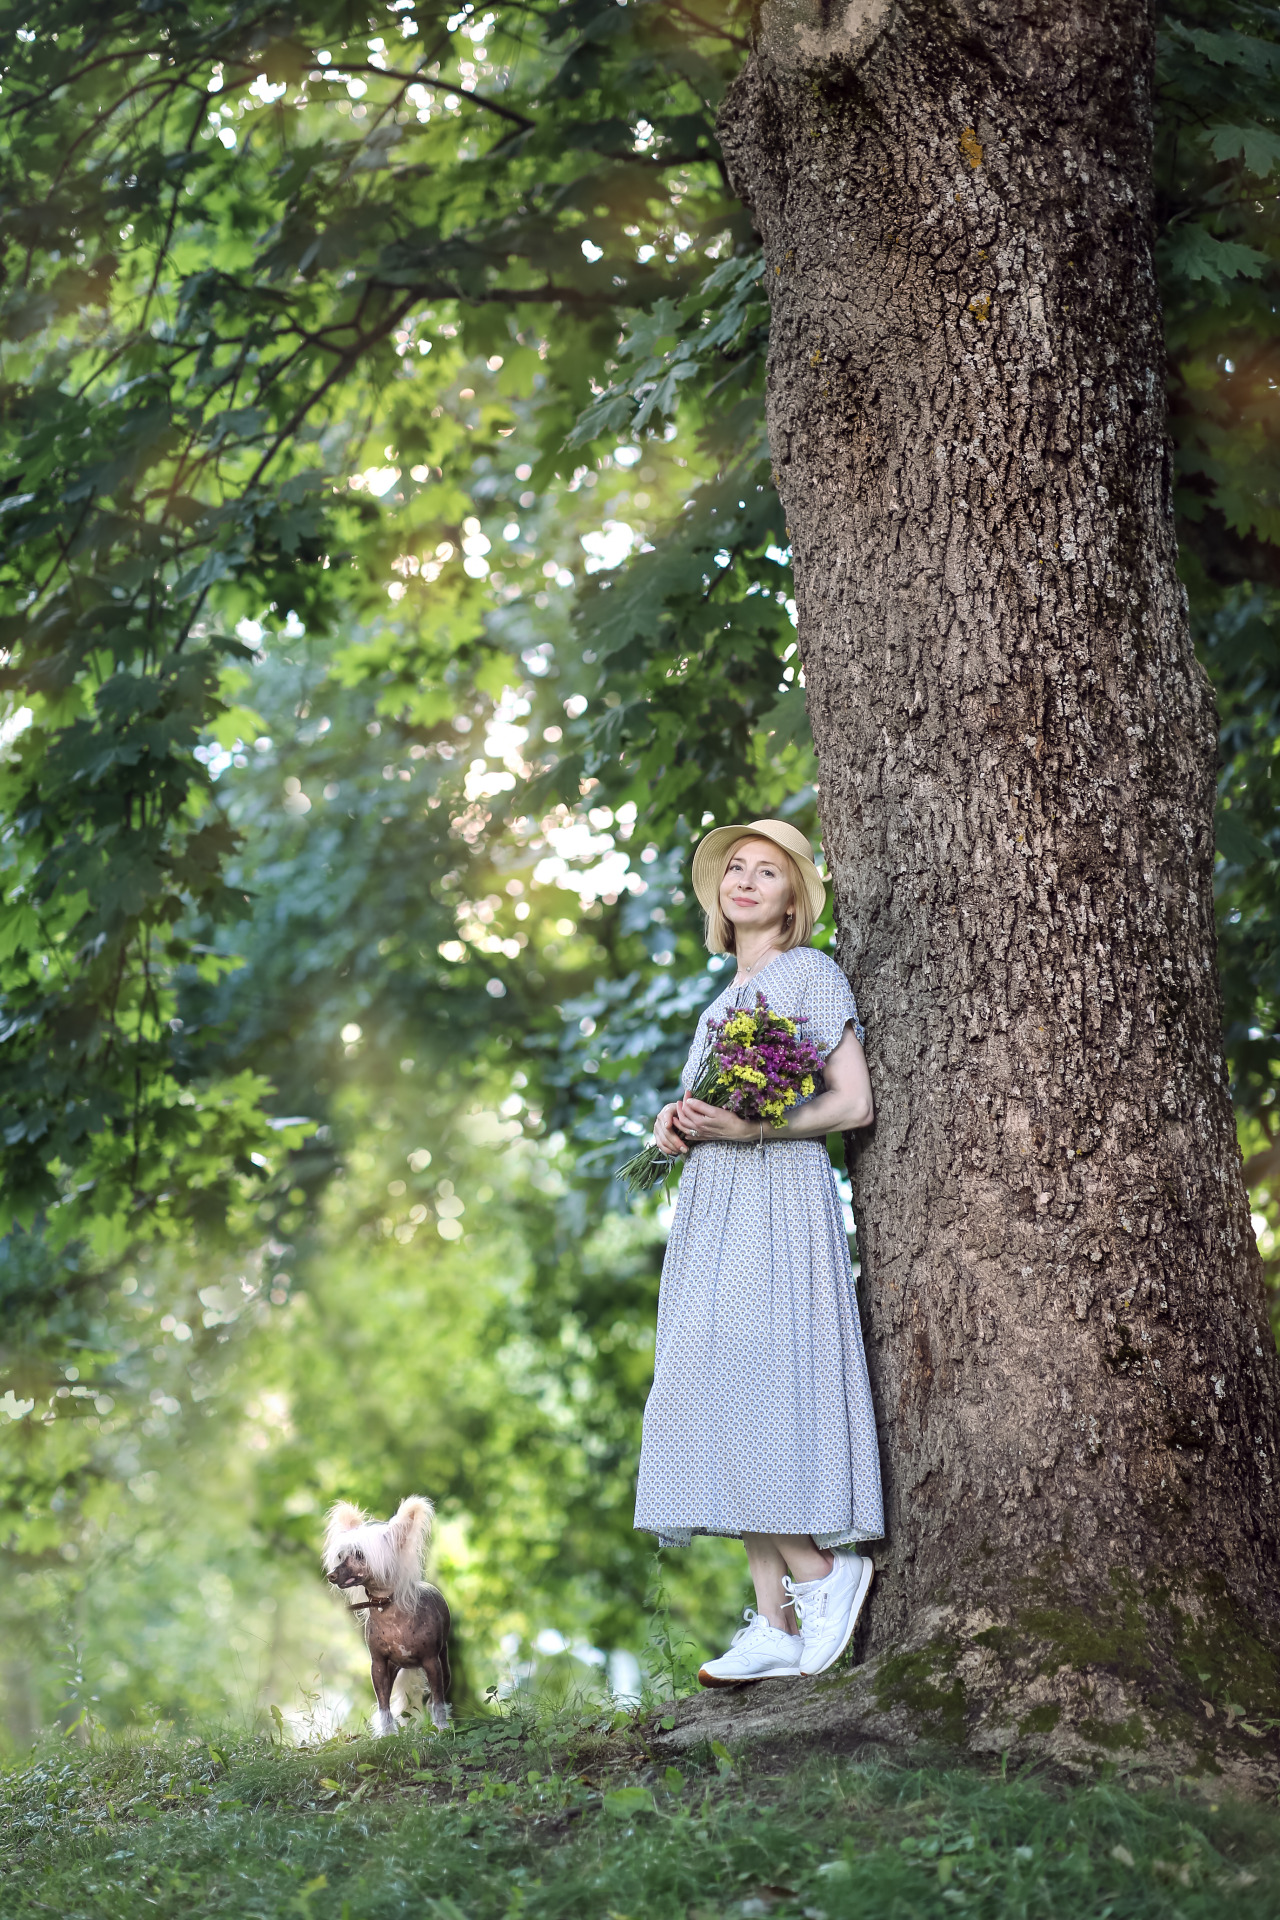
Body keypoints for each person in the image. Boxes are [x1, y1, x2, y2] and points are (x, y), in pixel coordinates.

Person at [633, 817, 884, 1686]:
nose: (743, 880)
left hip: (774, 1196)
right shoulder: (718, 1000)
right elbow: (710, 1108)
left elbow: (852, 1103)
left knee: (746, 1389)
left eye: (766, 871)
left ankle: (822, 1574)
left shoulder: (808, 973)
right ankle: (772, 1622)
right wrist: (677, 1124)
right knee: (705, 1386)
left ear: (791, 899)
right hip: (714, 1206)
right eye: (733, 868)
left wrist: (749, 1129)